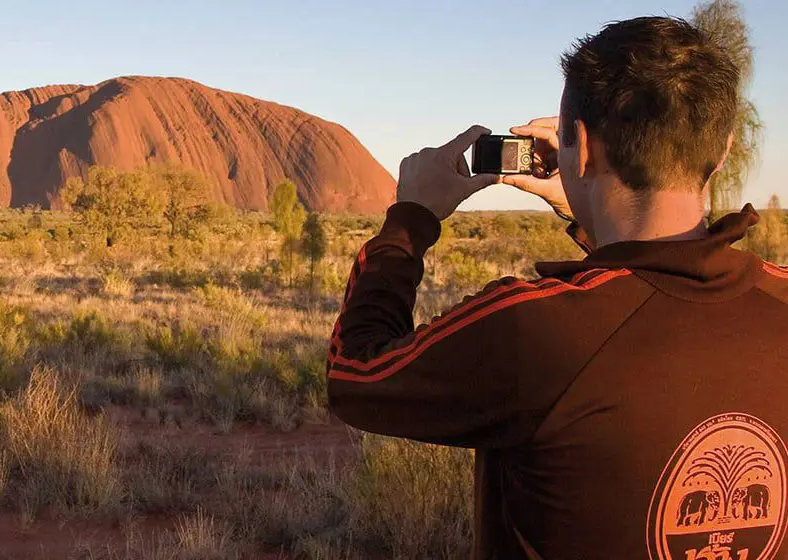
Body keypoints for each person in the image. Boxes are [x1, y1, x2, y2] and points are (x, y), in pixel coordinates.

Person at [326, 15, 788, 560]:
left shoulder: (534, 327)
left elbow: (354, 374)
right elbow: (648, 291)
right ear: (725, 148)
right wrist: (593, 219)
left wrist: (410, 220)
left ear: (584, 147)